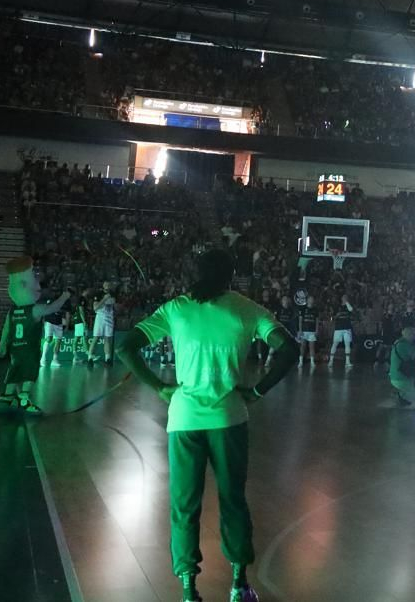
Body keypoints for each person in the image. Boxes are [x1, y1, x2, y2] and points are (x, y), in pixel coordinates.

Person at [117, 250, 298, 602]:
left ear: (194, 273)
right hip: (229, 419)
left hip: (183, 420)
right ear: (231, 275)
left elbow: (127, 348)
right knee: (233, 501)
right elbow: (290, 349)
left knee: (184, 506)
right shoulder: (247, 309)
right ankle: (238, 586)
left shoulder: (176, 309)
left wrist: (159, 387)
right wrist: (257, 391)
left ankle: (189, 591)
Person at [0, 257, 70, 415]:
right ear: (24, 285)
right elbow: (53, 308)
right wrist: (64, 297)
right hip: (30, 349)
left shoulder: (12, 311)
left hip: (15, 349)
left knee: (15, 371)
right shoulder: (35, 309)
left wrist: (2, 345)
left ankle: (6, 398)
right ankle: (24, 399)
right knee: (30, 373)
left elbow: (6, 329)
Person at [92, 282, 117, 366]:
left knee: (108, 339)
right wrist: (104, 299)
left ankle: (107, 359)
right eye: (106, 284)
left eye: (109, 284)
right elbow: (95, 308)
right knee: (96, 338)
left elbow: (114, 304)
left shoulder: (113, 294)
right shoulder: (98, 294)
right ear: (103, 286)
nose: (108, 286)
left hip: (109, 318)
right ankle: (90, 358)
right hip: (100, 318)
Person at [329, 294, 355, 369]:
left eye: (346, 297)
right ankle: (330, 361)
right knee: (335, 344)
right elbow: (331, 318)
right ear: (341, 298)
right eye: (344, 297)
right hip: (338, 328)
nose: (345, 298)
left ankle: (347, 362)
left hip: (347, 328)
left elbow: (351, 310)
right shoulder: (337, 307)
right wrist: (336, 316)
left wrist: (347, 303)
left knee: (347, 344)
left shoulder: (349, 306)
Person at [295, 294, 319, 366]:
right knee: (302, 346)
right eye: (310, 299)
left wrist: (317, 330)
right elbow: (300, 320)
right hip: (304, 331)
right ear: (307, 300)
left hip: (312, 331)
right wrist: (300, 330)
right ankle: (300, 362)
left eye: (312, 299)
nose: (311, 300)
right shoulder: (303, 309)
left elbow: (317, 321)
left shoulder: (316, 310)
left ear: (313, 301)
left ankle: (312, 362)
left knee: (312, 347)